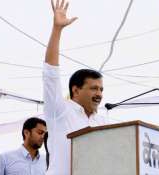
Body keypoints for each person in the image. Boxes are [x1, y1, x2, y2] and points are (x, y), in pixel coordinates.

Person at [43, 0, 109, 174]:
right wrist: (57, 30)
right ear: (76, 90)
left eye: (101, 89)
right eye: (94, 88)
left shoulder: (102, 122)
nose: (99, 94)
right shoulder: (60, 110)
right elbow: (50, 74)